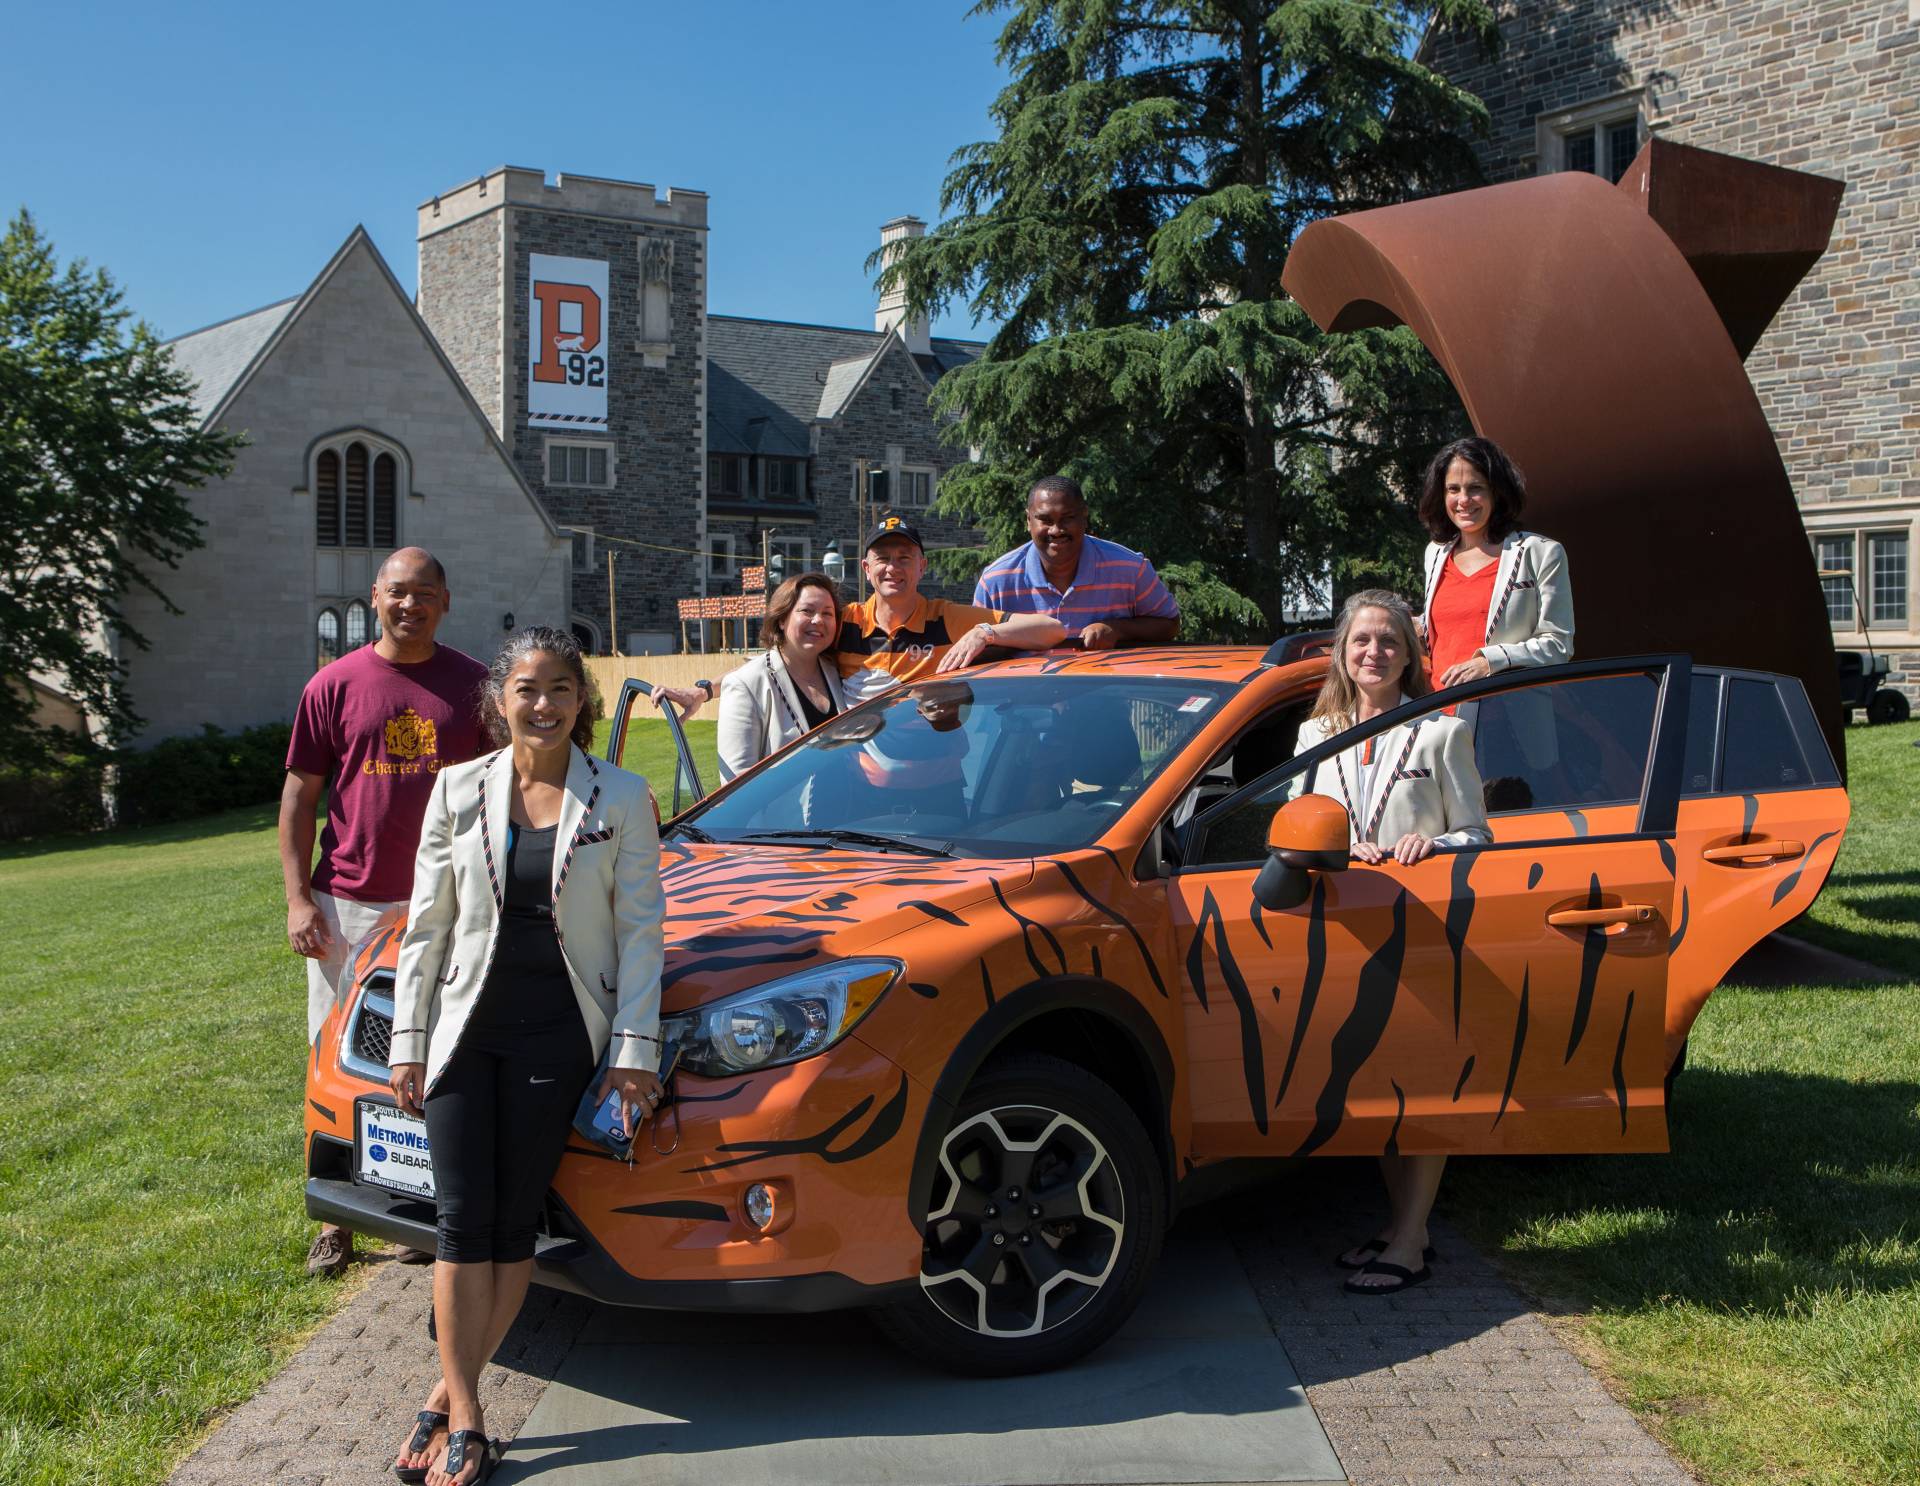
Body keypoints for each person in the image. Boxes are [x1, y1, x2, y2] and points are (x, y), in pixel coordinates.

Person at [386, 627, 666, 1486]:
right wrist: (407, 1042)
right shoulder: (456, 789)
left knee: (513, 1225)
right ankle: (469, 1412)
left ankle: (447, 1397)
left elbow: (641, 932)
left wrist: (634, 1050)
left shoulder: (622, 795)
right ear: (499, 700)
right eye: (527, 689)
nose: (543, 705)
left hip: (559, 1031)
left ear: (582, 699)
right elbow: (427, 924)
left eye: (560, 689)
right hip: (464, 1031)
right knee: (459, 1222)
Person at [280, 547, 488, 1279]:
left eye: (425, 592)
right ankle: (335, 1219)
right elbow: (300, 798)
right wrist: (298, 898)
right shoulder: (333, 685)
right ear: (376, 596)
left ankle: (415, 1203)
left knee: (435, 1054)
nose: (411, 604)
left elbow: (507, 786)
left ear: (445, 601)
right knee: (339, 1058)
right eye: (399, 591)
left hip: (449, 902)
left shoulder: (475, 686)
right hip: (350, 905)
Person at [1290, 590, 1489, 1295]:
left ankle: (1407, 1242)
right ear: (1343, 653)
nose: (1373, 652)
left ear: (1409, 655)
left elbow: (1477, 832)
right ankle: (1408, 1226)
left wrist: (1433, 843)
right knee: (1371, 1082)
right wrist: (1342, 848)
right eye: (1361, 640)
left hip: (1422, 926)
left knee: (1422, 1084)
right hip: (1347, 926)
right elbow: (1296, 823)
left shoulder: (1441, 732)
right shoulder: (1314, 734)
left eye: (1388, 641)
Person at [662, 515, 1065, 722]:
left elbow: (1052, 629)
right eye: (883, 558)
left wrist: (984, 632)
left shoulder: (946, 618)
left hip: (938, 783)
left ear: (922, 566)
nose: (893, 567)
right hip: (853, 786)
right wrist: (704, 691)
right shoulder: (844, 622)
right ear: (866, 569)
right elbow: (774, 664)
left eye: (904, 557)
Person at [1417, 437, 1573, 688]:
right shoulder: (1435, 553)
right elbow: (1446, 628)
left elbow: (1558, 645)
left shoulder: (1542, 553)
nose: (1463, 499)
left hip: (1509, 708)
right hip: (1441, 707)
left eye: (1475, 488)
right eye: (1453, 489)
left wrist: (1490, 662)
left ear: (1497, 492)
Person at [973, 475, 1180, 650]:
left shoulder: (1130, 569)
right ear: (1028, 521)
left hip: (1108, 687)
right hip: (1023, 688)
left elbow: (1170, 624)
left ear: (1084, 516)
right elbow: (975, 647)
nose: (1056, 530)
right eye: (1045, 520)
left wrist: (1117, 629)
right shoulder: (996, 581)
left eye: (1068, 518)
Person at [714, 572, 847, 781]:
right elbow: (736, 784)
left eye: (827, 613)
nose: (818, 620)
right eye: (807, 611)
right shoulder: (745, 684)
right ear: (782, 619)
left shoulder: (839, 672)